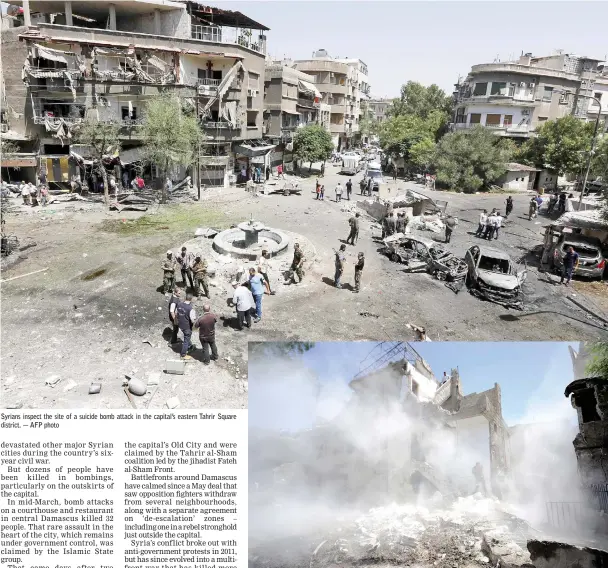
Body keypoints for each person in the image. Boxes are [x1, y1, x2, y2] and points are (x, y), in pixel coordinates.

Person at [176, 292, 196, 360]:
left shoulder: (179, 304)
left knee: (186, 336)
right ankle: (183, 354)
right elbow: (192, 320)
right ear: (191, 299)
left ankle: (190, 346)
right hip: (187, 327)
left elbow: (176, 314)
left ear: (185, 298)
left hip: (180, 325)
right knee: (186, 340)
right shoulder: (190, 309)